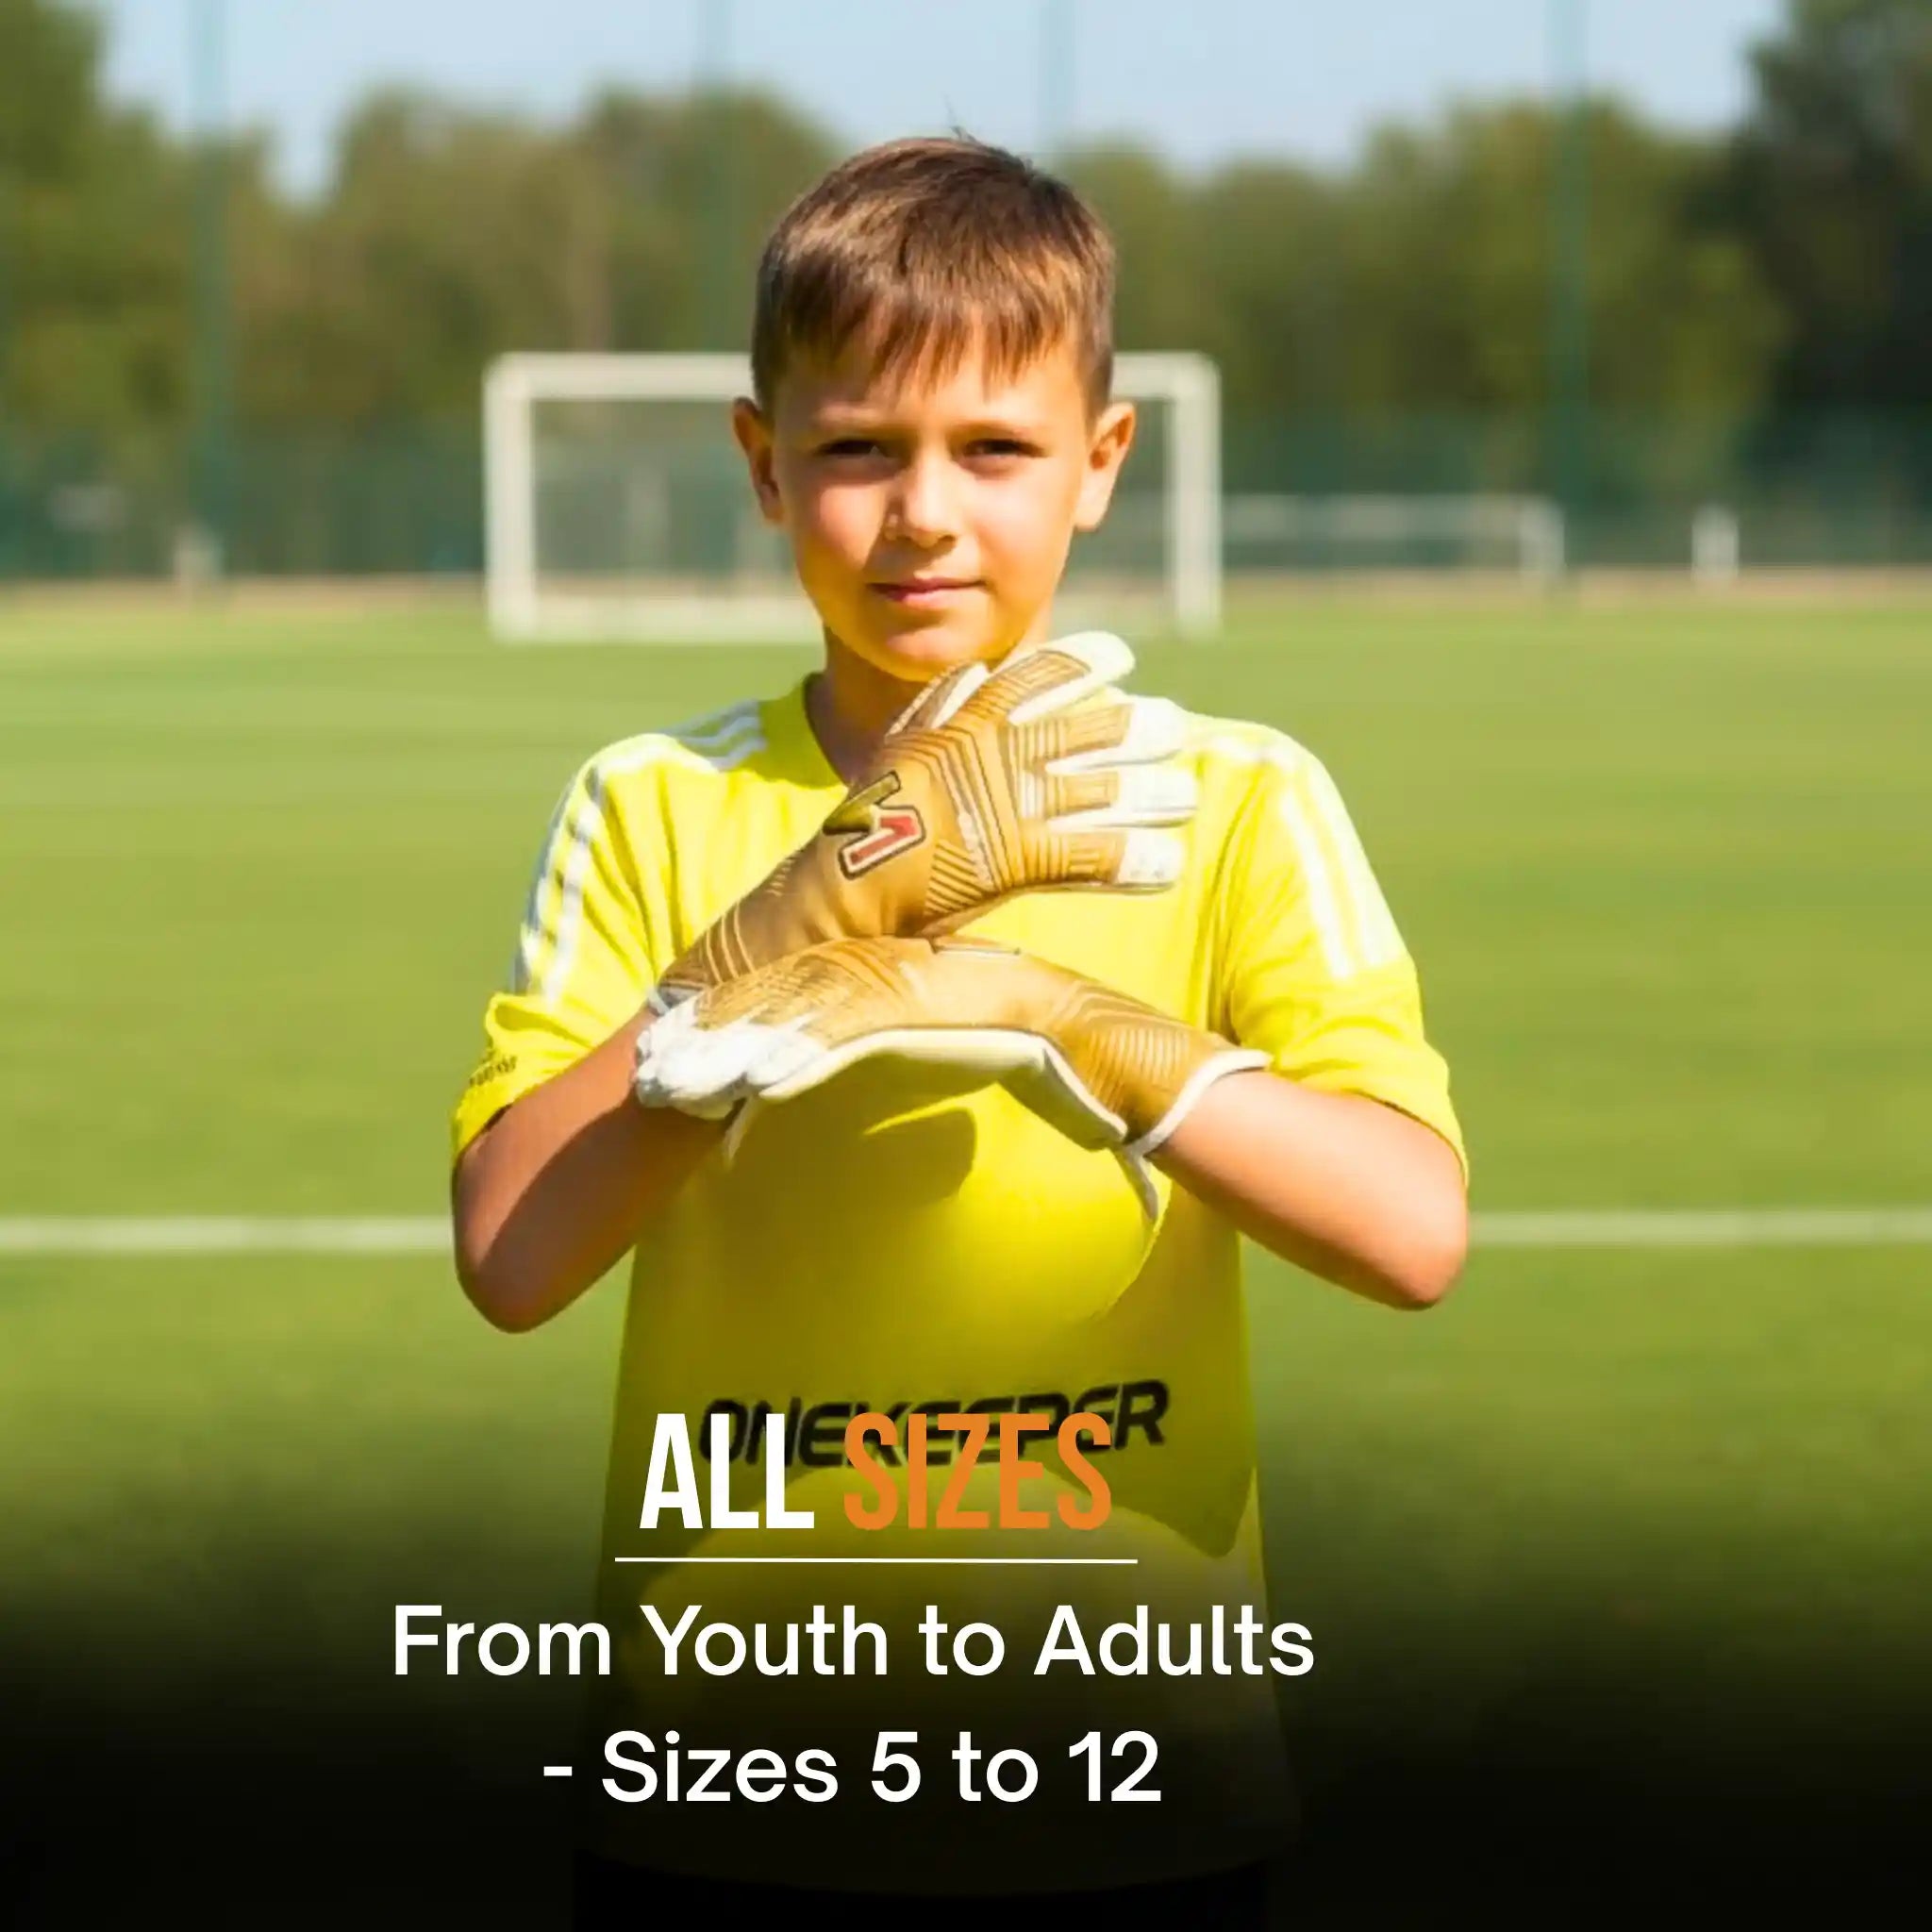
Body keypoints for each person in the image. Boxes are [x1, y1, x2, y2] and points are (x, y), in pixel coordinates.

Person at [451, 133, 1467, 1927]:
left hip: (1130, 1769)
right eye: (858, 449)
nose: (925, 510)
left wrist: (1068, 1019)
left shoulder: (1227, 801)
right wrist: (789, 924)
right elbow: (514, 1255)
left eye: (994, 448)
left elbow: (1408, 1234)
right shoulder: (652, 803)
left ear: (1101, 463)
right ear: (764, 467)